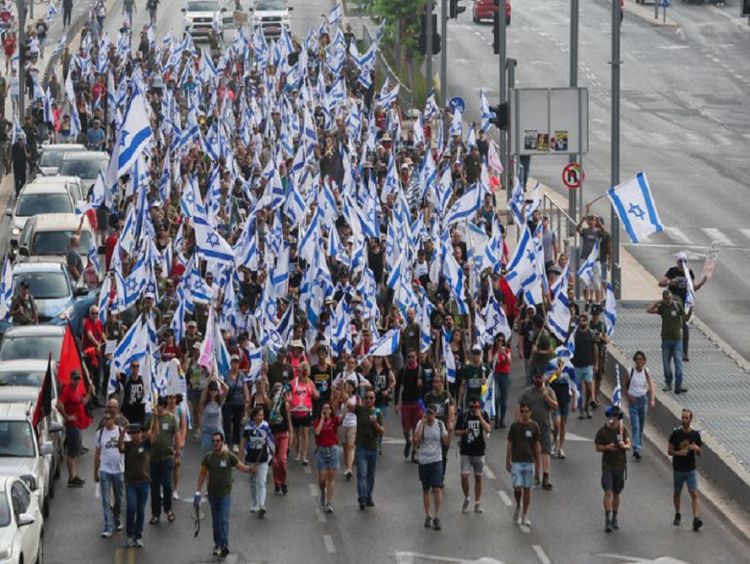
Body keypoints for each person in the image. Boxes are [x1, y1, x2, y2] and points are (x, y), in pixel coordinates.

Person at [195, 431, 252, 558]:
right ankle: (217, 544)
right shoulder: (208, 458)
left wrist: (249, 469)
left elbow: (239, 466)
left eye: (218, 441)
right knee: (216, 521)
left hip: (225, 494)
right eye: (214, 441)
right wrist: (198, 493)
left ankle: (224, 545)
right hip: (213, 494)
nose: (216, 443)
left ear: (222, 442)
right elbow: (202, 475)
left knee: (224, 519)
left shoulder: (228, 456)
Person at [658, 252, 707, 362]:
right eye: (680, 261)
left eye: (684, 261)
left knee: (684, 327)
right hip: (673, 301)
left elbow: (692, 288)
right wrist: (670, 282)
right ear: (677, 261)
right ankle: (668, 347)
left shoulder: (689, 272)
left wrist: (702, 283)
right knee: (671, 326)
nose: (682, 263)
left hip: (684, 303)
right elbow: (661, 283)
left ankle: (685, 352)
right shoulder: (672, 271)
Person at [517, 372, 557, 490]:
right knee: (532, 452)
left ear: (543, 378)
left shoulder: (549, 391)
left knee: (546, 451)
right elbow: (519, 406)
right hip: (530, 426)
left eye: (540, 377)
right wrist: (519, 423)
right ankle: (535, 474)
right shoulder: (527, 392)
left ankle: (545, 477)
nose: (538, 380)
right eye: (536, 377)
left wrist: (547, 398)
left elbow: (555, 405)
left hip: (545, 426)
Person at [119, 420, 156, 548]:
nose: (135, 435)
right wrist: (123, 433)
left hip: (144, 482)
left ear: (141, 433)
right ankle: (130, 534)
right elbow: (120, 447)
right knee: (131, 508)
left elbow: (154, 435)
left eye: (137, 432)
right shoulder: (128, 445)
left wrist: (151, 429)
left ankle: (138, 535)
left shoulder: (146, 445)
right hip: (131, 483)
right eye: (133, 433)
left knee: (141, 510)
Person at [594, 405, 631, 533]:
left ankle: (615, 516)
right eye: (612, 416)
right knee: (608, 492)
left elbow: (628, 444)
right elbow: (597, 447)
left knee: (616, 492)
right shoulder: (603, 431)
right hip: (608, 465)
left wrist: (623, 445)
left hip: (619, 466)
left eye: (616, 416)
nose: (613, 418)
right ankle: (607, 519)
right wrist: (607, 447)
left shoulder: (622, 430)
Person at [414, 404, 450, 530]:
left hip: (436, 459)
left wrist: (448, 431)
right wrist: (423, 423)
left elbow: (446, 441)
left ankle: (436, 516)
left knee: (437, 488)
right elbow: (416, 439)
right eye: (427, 413)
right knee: (426, 489)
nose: (429, 416)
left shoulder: (440, 424)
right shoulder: (420, 423)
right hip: (424, 460)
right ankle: (427, 515)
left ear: (435, 414)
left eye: (431, 413)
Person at [506, 401, 541, 527]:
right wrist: (507, 460)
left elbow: (537, 446)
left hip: (529, 462)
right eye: (522, 411)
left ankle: (525, 515)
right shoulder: (515, 427)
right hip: (516, 462)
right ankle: (518, 504)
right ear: (520, 412)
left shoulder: (534, 426)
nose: (524, 414)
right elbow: (510, 444)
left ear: (530, 412)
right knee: (517, 488)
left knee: (527, 489)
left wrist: (538, 466)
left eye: (527, 411)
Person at [145, 397, 180, 525]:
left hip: (167, 457)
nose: (158, 408)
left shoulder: (170, 419)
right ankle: (155, 514)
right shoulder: (151, 419)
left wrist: (178, 454)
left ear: (164, 406)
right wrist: (148, 435)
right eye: (156, 406)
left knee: (166, 484)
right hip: (153, 458)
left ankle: (168, 509)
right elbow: (144, 436)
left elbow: (176, 435)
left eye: (160, 405)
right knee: (154, 487)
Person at [668, 408, 703, 531]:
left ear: (691, 419)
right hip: (678, 468)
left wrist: (696, 449)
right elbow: (669, 451)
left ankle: (696, 519)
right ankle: (677, 513)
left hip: (690, 469)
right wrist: (678, 453)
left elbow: (700, 453)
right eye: (683, 417)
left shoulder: (695, 435)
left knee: (694, 493)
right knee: (677, 492)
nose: (684, 420)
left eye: (686, 418)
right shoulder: (676, 434)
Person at [647, 290, 688, 394]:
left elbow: (685, 318)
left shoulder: (677, 306)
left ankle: (678, 385)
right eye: (667, 299)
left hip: (677, 339)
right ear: (664, 299)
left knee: (678, 362)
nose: (669, 301)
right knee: (666, 363)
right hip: (666, 339)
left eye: (670, 298)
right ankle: (668, 383)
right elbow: (649, 310)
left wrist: (690, 311)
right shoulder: (662, 307)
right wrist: (658, 302)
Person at [455, 398, 491, 515]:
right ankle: (466, 497)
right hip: (466, 450)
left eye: (476, 407)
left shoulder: (484, 414)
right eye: (472, 407)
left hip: (479, 451)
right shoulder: (464, 415)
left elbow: (488, 429)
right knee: (464, 476)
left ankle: (477, 503)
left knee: (478, 478)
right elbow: (456, 431)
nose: (474, 409)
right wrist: (464, 432)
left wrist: (479, 417)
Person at [58, 370, 93, 487]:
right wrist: (67, 416)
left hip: (78, 423)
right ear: (71, 379)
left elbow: (82, 402)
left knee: (76, 451)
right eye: (75, 378)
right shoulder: (67, 390)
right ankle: (71, 478)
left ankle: (73, 475)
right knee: (72, 452)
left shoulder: (78, 389)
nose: (77, 381)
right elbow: (59, 404)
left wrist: (89, 393)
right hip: (72, 425)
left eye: (78, 379)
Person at [94, 409, 125, 537]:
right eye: (104, 419)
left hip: (118, 470)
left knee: (118, 498)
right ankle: (108, 526)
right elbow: (97, 454)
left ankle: (117, 518)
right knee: (106, 500)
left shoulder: (120, 431)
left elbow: (125, 448)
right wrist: (95, 471)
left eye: (108, 419)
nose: (106, 421)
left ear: (113, 419)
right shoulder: (100, 433)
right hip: (105, 470)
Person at [353, 390, 384, 510]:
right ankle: (362, 497)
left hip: (373, 449)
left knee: (370, 476)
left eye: (371, 398)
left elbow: (382, 430)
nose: (368, 400)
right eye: (366, 398)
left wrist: (375, 423)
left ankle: (368, 495)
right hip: (361, 448)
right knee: (362, 474)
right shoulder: (360, 410)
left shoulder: (378, 412)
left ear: (374, 399)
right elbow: (347, 402)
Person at [240, 407, 274, 518]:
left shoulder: (265, 426)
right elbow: (243, 441)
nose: (261, 417)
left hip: (263, 458)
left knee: (262, 481)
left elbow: (270, 440)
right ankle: (255, 503)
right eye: (259, 415)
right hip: (251, 459)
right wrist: (240, 457)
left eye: (262, 415)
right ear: (254, 416)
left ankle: (262, 505)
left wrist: (274, 454)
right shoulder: (248, 427)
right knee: (253, 481)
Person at [621, 351, 655, 460]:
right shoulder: (630, 371)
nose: (639, 361)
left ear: (644, 361)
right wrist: (628, 396)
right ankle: (636, 448)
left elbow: (651, 386)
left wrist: (652, 399)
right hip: (633, 401)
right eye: (637, 359)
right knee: (635, 425)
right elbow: (624, 386)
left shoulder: (646, 372)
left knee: (641, 425)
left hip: (642, 400)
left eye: (641, 359)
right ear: (635, 361)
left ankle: (638, 445)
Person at [423, 373, 455, 478]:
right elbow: (424, 411)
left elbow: (451, 410)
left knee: (443, 453)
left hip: (443, 429)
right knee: (432, 452)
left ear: (442, 383)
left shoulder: (447, 395)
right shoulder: (428, 397)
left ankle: (441, 475)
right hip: (431, 428)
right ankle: (433, 473)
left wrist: (450, 422)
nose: (435, 384)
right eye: (434, 382)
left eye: (437, 382)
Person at [394, 349, 424, 462]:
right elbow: (397, 388)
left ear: (417, 357)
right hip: (406, 403)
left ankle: (415, 451)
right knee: (406, 429)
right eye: (409, 357)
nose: (411, 359)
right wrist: (397, 403)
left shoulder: (421, 371)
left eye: (413, 356)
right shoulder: (403, 371)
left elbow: (426, 389)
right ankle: (408, 441)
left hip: (417, 403)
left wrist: (421, 384)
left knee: (416, 429)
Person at [313, 401, 340, 513]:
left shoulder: (335, 421)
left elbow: (344, 415)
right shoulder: (317, 421)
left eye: (328, 408)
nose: (326, 410)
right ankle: (323, 492)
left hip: (333, 449)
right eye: (324, 408)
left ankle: (329, 503)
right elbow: (317, 432)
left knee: (331, 479)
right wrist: (322, 419)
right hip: (322, 450)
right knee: (322, 480)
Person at [267, 382, 293, 496]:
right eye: (276, 389)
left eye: (280, 389)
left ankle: (283, 482)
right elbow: (263, 394)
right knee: (275, 462)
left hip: (283, 435)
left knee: (282, 460)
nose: (278, 391)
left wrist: (291, 434)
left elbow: (288, 420)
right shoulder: (271, 404)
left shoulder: (285, 405)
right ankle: (277, 483)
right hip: (273, 436)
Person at [289, 361, 318, 465]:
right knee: (297, 434)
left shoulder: (310, 383)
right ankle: (297, 452)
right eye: (301, 371)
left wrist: (315, 393)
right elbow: (287, 393)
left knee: (305, 433)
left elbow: (315, 395)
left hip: (306, 411)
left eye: (305, 371)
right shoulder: (293, 382)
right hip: (295, 411)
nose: (303, 373)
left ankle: (304, 456)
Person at [572, 312, 598, 419]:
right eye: (581, 319)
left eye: (585, 320)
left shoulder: (591, 334)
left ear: (587, 321)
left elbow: (595, 349)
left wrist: (596, 363)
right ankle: (581, 409)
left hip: (588, 364)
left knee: (588, 386)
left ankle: (588, 406)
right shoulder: (575, 334)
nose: (583, 321)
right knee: (578, 389)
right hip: (577, 365)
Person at [222, 355, 249, 453]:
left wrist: (247, 400)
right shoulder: (225, 375)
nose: (235, 364)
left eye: (237, 362)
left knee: (237, 424)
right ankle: (226, 442)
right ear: (230, 363)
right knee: (227, 423)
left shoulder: (241, 375)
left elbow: (245, 388)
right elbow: (222, 388)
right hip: (228, 402)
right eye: (233, 362)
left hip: (239, 403)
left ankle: (235, 443)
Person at [491, 334, 512, 429]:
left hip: (504, 376)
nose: (500, 342)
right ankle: (496, 419)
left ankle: (502, 419)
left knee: (504, 400)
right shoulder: (492, 350)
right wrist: (496, 354)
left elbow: (509, 362)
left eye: (502, 341)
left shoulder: (507, 350)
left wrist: (504, 354)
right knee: (495, 397)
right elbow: (490, 362)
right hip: (496, 375)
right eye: (498, 340)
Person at [121, 361, 146, 426]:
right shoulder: (127, 379)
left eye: (137, 366)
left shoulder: (142, 379)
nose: (136, 368)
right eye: (134, 366)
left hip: (139, 410)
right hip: (128, 410)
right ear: (130, 367)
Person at [11, 131, 29, 195]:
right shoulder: (14, 146)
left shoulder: (26, 146)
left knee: (23, 180)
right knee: (17, 180)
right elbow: (12, 156)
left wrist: (24, 148)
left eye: (22, 140)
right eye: (19, 140)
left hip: (23, 166)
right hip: (16, 166)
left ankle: (22, 191)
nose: (21, 141)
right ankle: (17, 192)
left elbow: (28, 155)